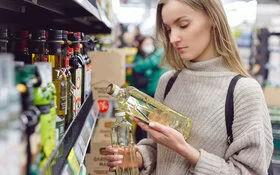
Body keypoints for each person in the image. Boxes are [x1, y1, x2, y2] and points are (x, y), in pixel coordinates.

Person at [106, 0, 273, 174]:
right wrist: (139, 157)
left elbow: (250, 171)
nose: (172, 39)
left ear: (213, 18)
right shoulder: (169, 82)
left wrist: (185, 150)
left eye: (183, 25)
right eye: (169, 29)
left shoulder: (244, 91)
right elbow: (158, 148)